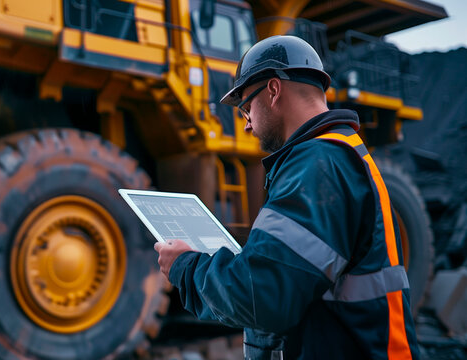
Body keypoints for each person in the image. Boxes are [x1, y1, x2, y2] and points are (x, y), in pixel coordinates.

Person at [154, 35, 418, 359]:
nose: (247, 125)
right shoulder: (335, 155)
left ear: (274, 91)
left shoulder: (317, 166)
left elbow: (263, 297)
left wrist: (185, 266)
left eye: (246, 108)